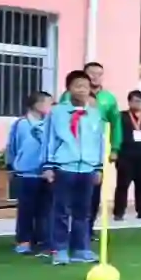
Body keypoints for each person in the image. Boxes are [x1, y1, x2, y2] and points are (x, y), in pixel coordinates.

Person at [43, 71, 105, 266]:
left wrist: (99, 167)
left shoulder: (95, 114)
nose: (82, 90)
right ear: (69, 88)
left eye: (85, 86)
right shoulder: (57, 113)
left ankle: (81, 248)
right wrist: (48, 165)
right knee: (61, 210)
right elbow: (49, 139)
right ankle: (60, 249)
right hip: (64, 166)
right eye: (78, 85)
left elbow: (99, 142)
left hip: (87, 168)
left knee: (83, 212)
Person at [59, 61, 121, 237]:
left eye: (99, 74)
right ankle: (64, 231)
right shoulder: (68, 96)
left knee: (93, 190)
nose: (95, 77)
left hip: (95, 151)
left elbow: (115, 124)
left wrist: (115, 147)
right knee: (68, 194)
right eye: (92, 73)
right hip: (71, 150)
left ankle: (87, 229)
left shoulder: (108, 98)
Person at [7, 91, 53, 256]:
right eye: (48, 103)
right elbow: (12, 146)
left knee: (45, 209)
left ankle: (42, 239)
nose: (51, 107)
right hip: (26, 174)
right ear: (37, 105)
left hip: (46, 174)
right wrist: (11, 167)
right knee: (26, 209)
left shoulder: (50, 124)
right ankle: (23, 240)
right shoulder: (21, 124)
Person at [114, 90, 141, 221]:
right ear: (129, 102)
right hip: (126, 156)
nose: (137, 103)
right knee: (123, 185)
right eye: (134, 101)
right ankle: (119, 212)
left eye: (140, 101)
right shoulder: (121, 117)